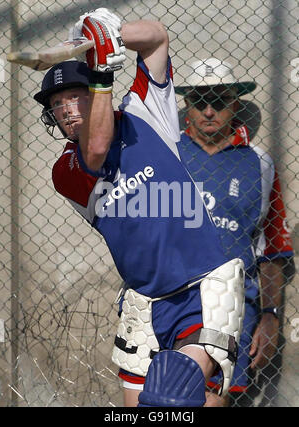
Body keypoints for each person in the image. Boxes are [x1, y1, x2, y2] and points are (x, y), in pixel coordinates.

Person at [33, 9, 245, 407]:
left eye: (72, 96)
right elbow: (97, 147)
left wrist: (106, 37)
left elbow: (157, 37)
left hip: (202, 287)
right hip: (145, 303)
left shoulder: (145, 111)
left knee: (171, 396)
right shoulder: (66, 169)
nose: (64, 109)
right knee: (149, 408)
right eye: (56, 103)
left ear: (93, 92)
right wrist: (99, 70)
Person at [174, 57, 295, 406]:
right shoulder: (167, 156)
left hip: (231, 310)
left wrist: (271, 317)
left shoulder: (259, 164)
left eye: (220, 100)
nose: (209, 111)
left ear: (235, 103)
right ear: (186, 105)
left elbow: (271, 250)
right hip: (171, 304)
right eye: (199, 100)